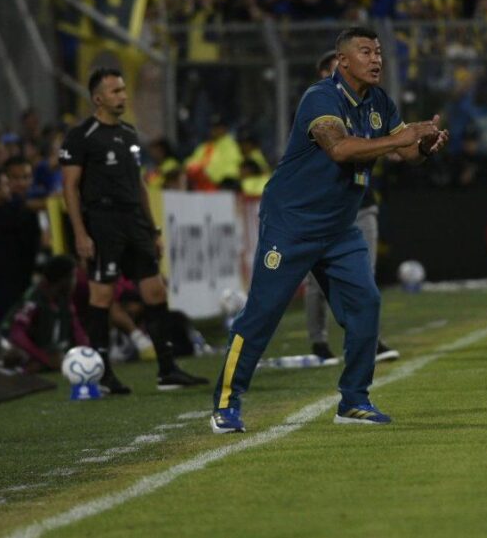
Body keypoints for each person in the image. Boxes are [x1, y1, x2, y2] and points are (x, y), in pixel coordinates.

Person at [210, 27, 448, 434]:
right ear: (342, 61)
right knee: (264, 313)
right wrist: (402, 137)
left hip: (339, 228)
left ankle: (354, 400)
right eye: (365, 52)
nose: (376, 59)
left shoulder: (379, 102)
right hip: (292, 224)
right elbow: (339, 149)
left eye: (378, 52)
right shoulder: (321, 97)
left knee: (366, 304)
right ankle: (226, 404)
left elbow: (404, 151)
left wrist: (423, 146)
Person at [60, 67, 208, 394]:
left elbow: (139, 183)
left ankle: (167, 369)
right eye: (115, 91)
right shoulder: (81, 136)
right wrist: (81, 234)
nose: (123, 96)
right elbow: (69, 187)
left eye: (124, 90)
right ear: (98, 98)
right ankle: (102, 373)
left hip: (134, 223)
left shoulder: (129, 134)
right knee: (102, 294)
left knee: (155, 292)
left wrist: (153, 229)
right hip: (102, 222)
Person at [304, 49, 399, 366]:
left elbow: (390, 144)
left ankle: (367, 340)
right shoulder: (316, 111)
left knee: (365, 278)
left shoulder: (367, 107)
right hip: (324, 209)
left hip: (360, 203)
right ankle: (319, 343)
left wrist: (409, 144)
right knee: (318, 281)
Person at [0, 255, 90, 374]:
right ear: (63, 279)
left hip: (43, 349)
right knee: (15, 354)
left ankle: (35, 366)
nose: (76, 281)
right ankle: (18, 370)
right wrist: (46, 359)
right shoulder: (35, 298)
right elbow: (17, 334)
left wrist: (87, 354)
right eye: (73, 276)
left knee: (56, 355)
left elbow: (77, 330)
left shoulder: (64, 300)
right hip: (16, 347)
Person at [0, 169, 40, 323]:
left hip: (20, 282)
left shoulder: (10, 212)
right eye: (5, 184)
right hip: (5, 286)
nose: (10, 189)